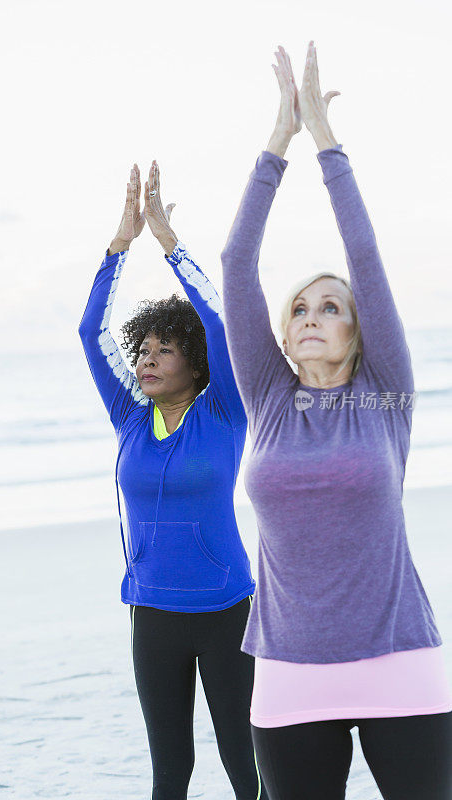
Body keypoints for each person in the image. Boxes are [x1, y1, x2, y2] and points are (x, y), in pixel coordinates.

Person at [220, 41, 452, 800]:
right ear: (281, 336)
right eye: (299, 308)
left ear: (359, 331)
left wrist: (326, 142)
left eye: (332, 307)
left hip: (399, 664)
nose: (312, 316)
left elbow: (365, 254)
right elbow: (234, 261)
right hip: (288, 674)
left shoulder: (386, 394)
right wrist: (274, 143)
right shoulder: (267, 399)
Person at [79, 161, 266, 799]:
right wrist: (118, 245)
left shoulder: (224, 410)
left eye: (164, 349)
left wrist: (168, 244)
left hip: (227, 610)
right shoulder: (131, 416)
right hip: (152, 611)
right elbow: (89, 332)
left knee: (246, 766)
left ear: (196, 359)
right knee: (170, 770)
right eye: (143, 350)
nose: (147, 360)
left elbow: (223, 322)